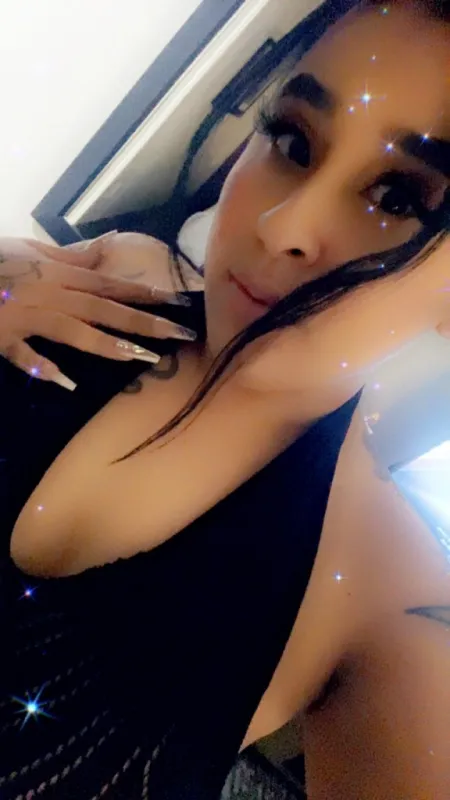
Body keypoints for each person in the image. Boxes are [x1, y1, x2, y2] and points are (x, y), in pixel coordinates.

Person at [1, 0, 449, 797]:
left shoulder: (390, 604)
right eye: (293, 141)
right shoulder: (109, 274)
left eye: (399, 199)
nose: (283, 226)